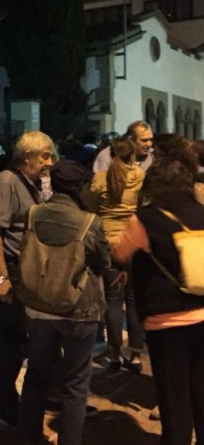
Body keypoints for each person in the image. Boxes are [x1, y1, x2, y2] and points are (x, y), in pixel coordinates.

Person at [112, 136, 204, 445]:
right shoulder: (202, 213)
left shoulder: (146, 219)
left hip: (165, 322)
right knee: (201, 388)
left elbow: (119, 252)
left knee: (174, 396)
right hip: (203, 315)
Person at [19, 160, 110, 445]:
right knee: (75, 384)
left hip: (38, 306)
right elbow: (104, 261)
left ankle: (28, 437)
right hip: (79, 310)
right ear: (79, 188)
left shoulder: (33, 214)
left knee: (36, 375)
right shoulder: (89, 222)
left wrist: (1, 279)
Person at [0, 130, 55, 426]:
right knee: (11, 342)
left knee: (31, 339)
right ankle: (8, 406)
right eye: (45, 156)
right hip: (13, 270)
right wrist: (2, 278)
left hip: (30, 270)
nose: (49, 162)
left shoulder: (33, 182)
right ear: (28, 156)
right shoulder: (7, 182)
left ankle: (37, 397)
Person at [89, 137, 145, 371]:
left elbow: (92, 207)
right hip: (132, 243)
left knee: (113, 300)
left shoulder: (100, 179)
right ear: (132, 155)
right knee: (133, 301)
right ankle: (136, 355)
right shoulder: (139, 176)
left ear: (111, 155)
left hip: (108, 244)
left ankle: (114, 354)